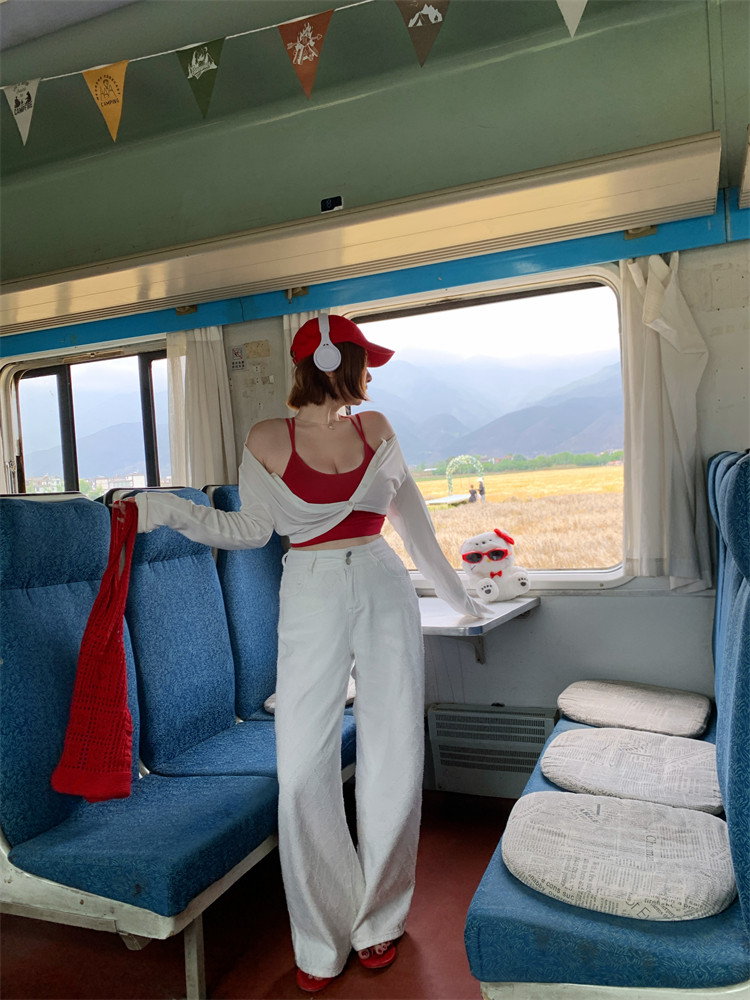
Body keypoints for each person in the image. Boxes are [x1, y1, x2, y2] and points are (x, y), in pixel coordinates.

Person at [131, 315, 486, 993]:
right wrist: (167, 509)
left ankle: (379, 919)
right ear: (336, 362)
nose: (370, 374)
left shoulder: (376, 428)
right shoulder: (268, 438)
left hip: (382, 582)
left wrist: (461, 598)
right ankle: (322, 937)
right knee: (300, 771)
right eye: (364, 361)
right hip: (311, 589)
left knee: (394, 751)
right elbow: (250, 530)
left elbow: (413, 523)